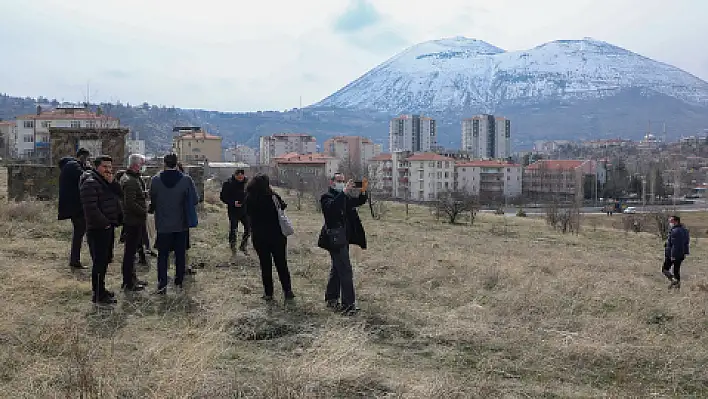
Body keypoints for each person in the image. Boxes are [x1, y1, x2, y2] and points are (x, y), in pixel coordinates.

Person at [318, 173, 368, 315]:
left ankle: (331, 298)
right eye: (338, 181)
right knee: (346, 270)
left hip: (343, 239)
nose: (341, 183)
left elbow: (359, 201)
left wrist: (363, 189)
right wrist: (344, 192)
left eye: (343, 181)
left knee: (337, 269)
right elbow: (332, 209)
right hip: (334, 240)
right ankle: (348, 306)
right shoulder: (326, 197)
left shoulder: (344, 197)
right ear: (332, 182)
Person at [150, 154, 199, 294]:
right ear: (177, 164)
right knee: (180, 254)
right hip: (181, 224)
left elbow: (152, 200)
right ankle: (179, 281)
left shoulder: (155, 180)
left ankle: (162, 283)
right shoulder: (186, 180)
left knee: (163, 255)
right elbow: (195, 200)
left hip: (163, 224)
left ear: (164, 163)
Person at [79, 155, 123, 305]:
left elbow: (120, 194)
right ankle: (97, 295)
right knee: (99, 262)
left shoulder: (105, 182)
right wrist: (105, 224)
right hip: (98, 229)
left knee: (105, 261)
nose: (108, 170)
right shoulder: (90, 182)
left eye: (110, 167)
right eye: (105, 167)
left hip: (107, 227)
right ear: (97, 167)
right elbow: (91, 209)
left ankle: (101, 290)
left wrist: (113, 182)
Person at [244, 174, 294, 301]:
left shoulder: (250, 198)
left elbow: (247, 213)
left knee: (265, 265)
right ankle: (287, 291)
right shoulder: (273, 197)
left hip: (259, 237)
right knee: (282, 264)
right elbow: (283, 206)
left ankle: (268, 293)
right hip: (277, 235)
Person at [119, 154, 150, 291]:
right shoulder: (130, 181)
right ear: (136, 165)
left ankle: (133, 278)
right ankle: (128, 282)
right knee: (130, 253)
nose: (144, 166)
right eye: (142, 164)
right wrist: (144, 210)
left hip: (135, 220)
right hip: (133, 221)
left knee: (133, 253)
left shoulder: (133, 178)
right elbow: (130, 203)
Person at [58, 148, 91, 269]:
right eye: (86, 158)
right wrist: (88, 168)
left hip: (73, 205)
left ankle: (75, 259)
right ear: (82, 156)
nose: (86, 160)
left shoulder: (70, 165)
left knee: (79, 231)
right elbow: (84, 176)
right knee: (80, 231)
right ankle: (75, 260)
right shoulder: (73, 165)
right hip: (75, 206)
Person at [220, 169, 250, 253]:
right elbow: (223, 197)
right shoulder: (228, 183)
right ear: (235, 175)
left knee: (248, 228)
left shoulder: (247, 184)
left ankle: (243, 246)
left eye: (242, 175)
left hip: (245, 210)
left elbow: (251, 195)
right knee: (233, 229)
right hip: (233, 210)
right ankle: (233, 247)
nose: (240, 176)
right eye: (238, 175)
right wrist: (233, 202)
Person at [662, 215, 690, 290]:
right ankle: (677, 288)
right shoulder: (684, 230)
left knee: (664, 269)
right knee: (676, 271)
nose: (669, 222)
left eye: (671, 221)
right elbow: (686, 242)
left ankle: (674, 281)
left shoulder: (675, 231)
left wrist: (672, 255)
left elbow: (676, 244)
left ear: (675, 221)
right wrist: (685, 253)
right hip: (681, 254)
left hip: (673, 254)